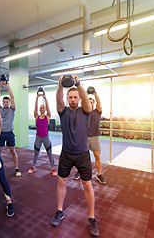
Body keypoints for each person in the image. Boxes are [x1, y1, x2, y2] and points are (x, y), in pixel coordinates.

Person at [50, 75, 99, 237]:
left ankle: (92, 217)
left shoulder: (85, 111)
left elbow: (86, 100)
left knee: (87, 185)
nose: (72, 99)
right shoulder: (63, 112)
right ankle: (59, 211)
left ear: (78, 98)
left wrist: (78, 84)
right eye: (70, 97)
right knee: (62, 181)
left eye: (75, 97)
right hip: (66, 154)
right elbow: (58, 100)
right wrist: (59, 85)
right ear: (67, 98)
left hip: (83, 154)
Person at [73, 88, 106, 184]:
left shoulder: (97, 112)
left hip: (94, 137)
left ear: (94, 104)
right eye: (89, 102)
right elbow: (83, 101)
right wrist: (85, 95)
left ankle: (99, 175)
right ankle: (80, 171)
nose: (90, 104)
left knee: (97, 155)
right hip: (84, 138)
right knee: (82, 157)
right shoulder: (83, 112)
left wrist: (95, 94)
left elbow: (99, 103)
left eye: (92, 102)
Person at [0, 81, 21, 177]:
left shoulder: (12, 109)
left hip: (9, 133)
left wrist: (8, 86)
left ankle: (17, 168)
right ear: (3, 103)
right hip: (0, 134)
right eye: (4, 102)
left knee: (12, 151)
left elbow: (12, 97)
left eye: (7, 102)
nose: (6, 103)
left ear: (9, 103)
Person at [28, 93, 57, 176]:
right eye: (41, 108)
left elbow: (48, 107)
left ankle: (53, 168)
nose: (41, 109)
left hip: (46, 138)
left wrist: (45, 98)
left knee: (49, 153)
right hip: (38, 138)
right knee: (36, 153)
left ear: (44, 109)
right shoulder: (36, 117)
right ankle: (33, 166)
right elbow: (35, 107)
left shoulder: (47, 116)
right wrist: (37, 98)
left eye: (43, 108)